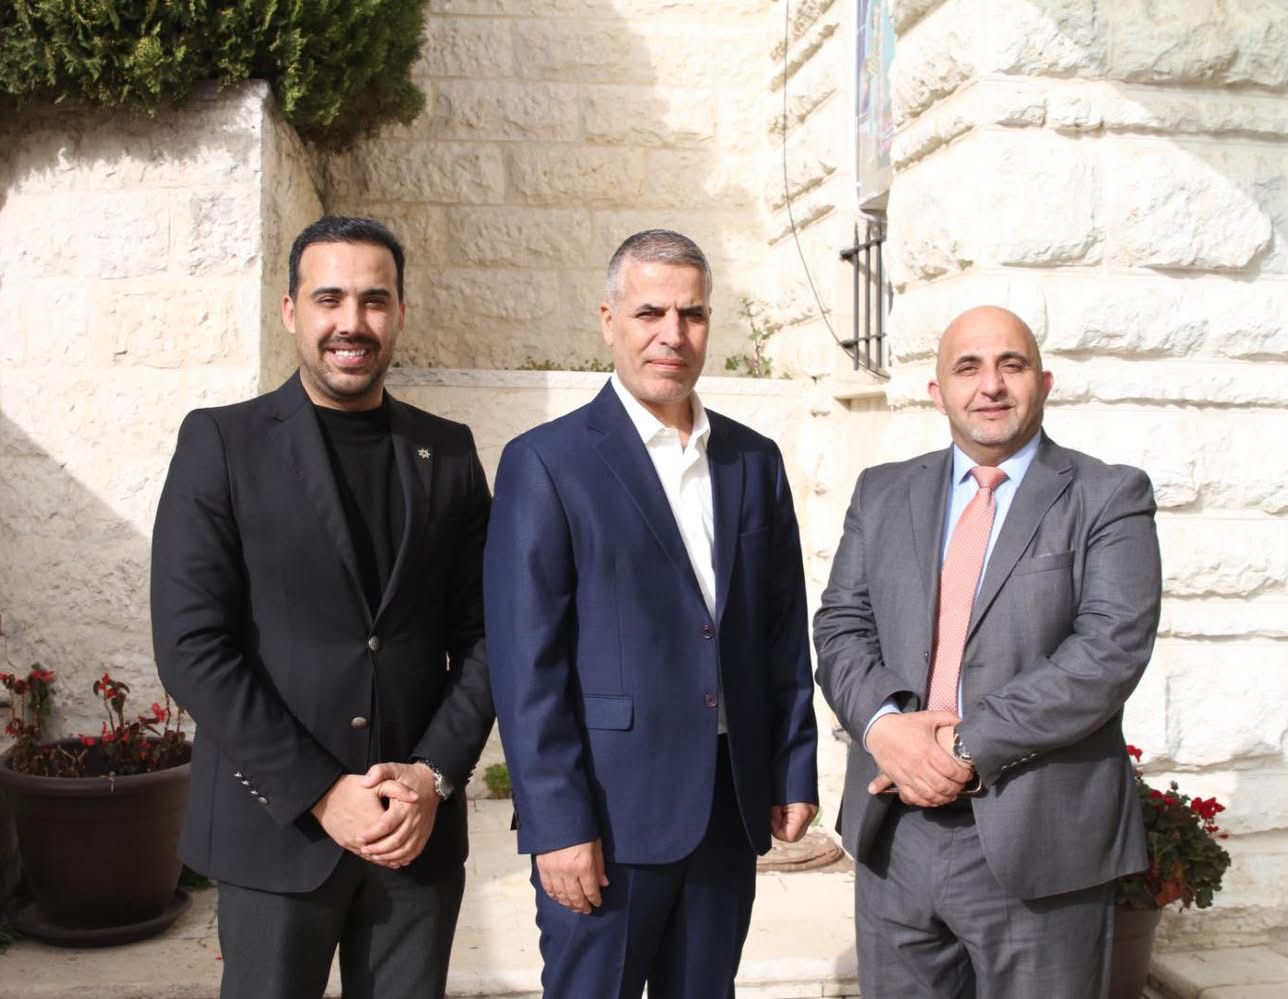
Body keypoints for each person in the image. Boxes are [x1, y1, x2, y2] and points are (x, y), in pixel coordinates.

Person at [151, 215, 492, 998]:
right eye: (329, 298)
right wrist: (319, 790)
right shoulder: (221, 444)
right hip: (276, 833)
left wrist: (432, 776)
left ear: (400, 312)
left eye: (374, 300)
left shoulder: (448, 451)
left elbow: (487, 636)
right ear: (291, 311)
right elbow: (192, 644)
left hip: (414, 836)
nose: (352, 322)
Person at [483, 229, 820, 998]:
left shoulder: (753, 459)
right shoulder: (546, 462)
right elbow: (527, 667)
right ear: (609, 320)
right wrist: (557, 823)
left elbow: (779, 630)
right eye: (650, 313)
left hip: (726, 812)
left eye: (692, 314)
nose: (673, 333)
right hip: (606, 819)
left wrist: (792, 764)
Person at [813, 305, 1162, 998]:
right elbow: (841, 626)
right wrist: (885, 729)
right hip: (896, 832)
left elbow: (1107, 651)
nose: (991, 385)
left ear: (1045, 382)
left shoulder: (1108, 495)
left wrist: (960, 748)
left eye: (1012, 364)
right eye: (967, 367)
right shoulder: (882, 492)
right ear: (937, 391)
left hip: (1040, 837)